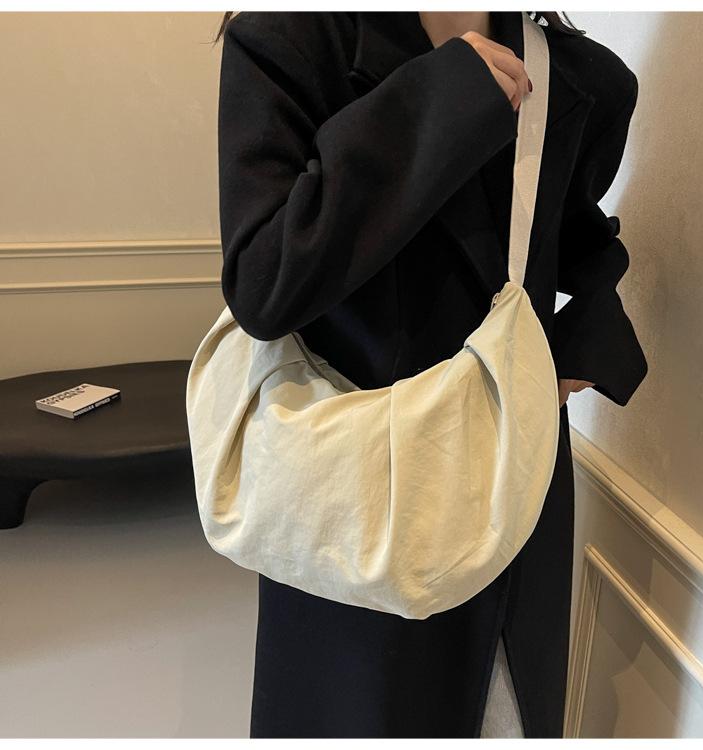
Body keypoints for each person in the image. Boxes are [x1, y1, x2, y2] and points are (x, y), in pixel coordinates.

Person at [212, 10, 648, 738]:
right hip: (353, 493)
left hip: (510, 485)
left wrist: (579, 347)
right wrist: (437, 99)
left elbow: (576, 238)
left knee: (502, 711)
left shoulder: (579, 75)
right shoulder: (291, 37)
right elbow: (265, 281)